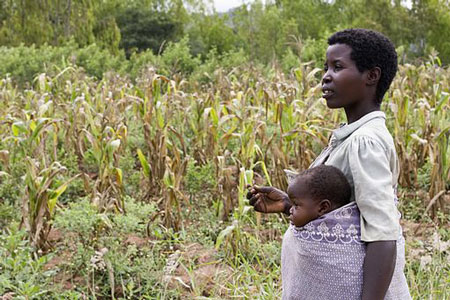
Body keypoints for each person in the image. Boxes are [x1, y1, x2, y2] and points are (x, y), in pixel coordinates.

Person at [247, 28, 411, 299]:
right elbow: (345, 212)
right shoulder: (352, 136)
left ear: (372, 76)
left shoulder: (364, 143)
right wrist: (290, 205)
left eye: (337, 67)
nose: (325, 76)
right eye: (326, 67)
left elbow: (383, 233)